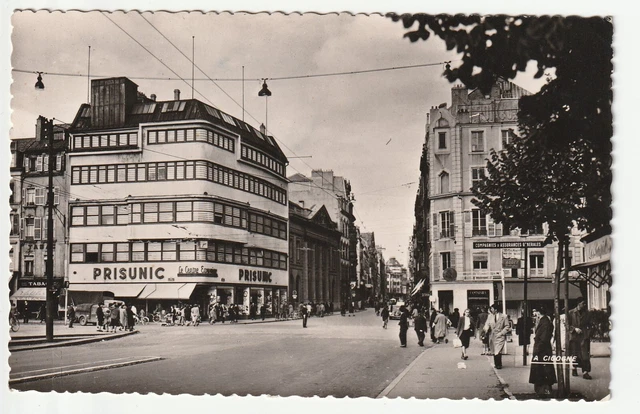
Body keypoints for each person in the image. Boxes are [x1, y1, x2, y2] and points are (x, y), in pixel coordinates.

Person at [529, 306, 556, 397]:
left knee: (543, 369)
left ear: (538, 312)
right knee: (542, 368)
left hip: (542, 349)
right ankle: (542, 388)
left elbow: (544, 338)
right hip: (543, 348)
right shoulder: (544, 320)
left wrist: (538, 349)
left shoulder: (545, 322)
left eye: (535, 311)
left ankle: (544, 390)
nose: (534, 313)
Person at [568, 297, 592, 380]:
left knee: (585, 355)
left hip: (584, 336)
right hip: (574, 337)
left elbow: (590, 324)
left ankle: (585, 372)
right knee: (575, 354)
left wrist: (588, 333)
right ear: (578, 304)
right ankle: (574, 368)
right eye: (583, 303)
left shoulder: (587, 313)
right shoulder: (571, 313)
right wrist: (574, 329)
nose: (584, 305)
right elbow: (567, 324)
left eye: (585, 303)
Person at [483, 304, 511, 369]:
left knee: (498, 350)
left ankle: (499, 365)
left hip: (500, 336)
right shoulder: (490, 316)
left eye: (492, 309)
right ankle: (496, 364)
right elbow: (487, 324)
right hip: (492, 336)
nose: (491, 310)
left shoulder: (504, 316)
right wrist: (485, 329)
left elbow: (507, 326)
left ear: (496, 309)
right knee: (494, 350)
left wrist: (501, 333)